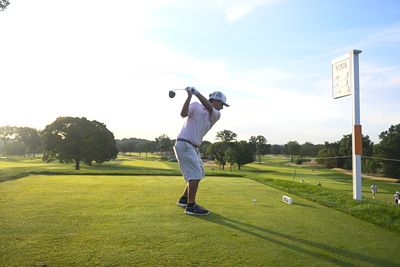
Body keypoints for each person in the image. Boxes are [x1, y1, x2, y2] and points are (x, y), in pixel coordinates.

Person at [174, 87, 229, 215]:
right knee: (195, 175)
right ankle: (191, 206)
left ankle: (184, 199)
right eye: (222, 104)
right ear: (215, 101)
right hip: (185, 144)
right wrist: (189, 96)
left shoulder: (215, 114)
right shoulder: (195, 105)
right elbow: (183, 114)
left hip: (192, 147)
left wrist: (197, 93)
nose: (222, 107)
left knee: (199, 174)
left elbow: (208, 107)